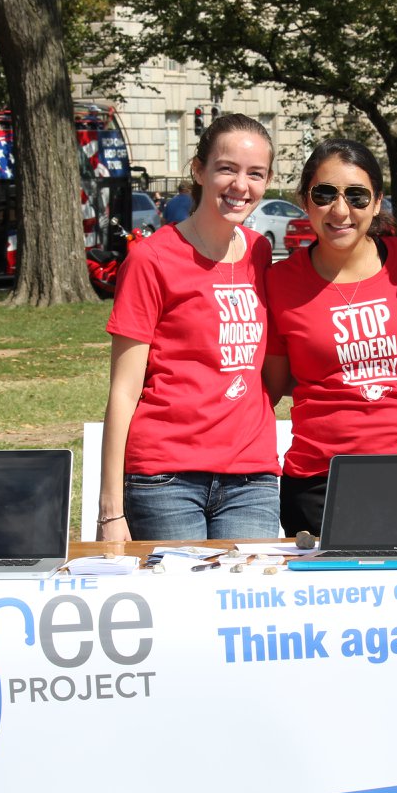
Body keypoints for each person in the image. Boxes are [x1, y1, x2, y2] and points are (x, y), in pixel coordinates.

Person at [98, 114, 279, 542]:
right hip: (166, 480)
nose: (241, 185)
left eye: (255, 174)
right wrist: (110, 511)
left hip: (251, 479)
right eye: (227, 168)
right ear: (199, 171)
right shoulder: (151, 259)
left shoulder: (260, 252)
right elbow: (123, 390)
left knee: (245, 604)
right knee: (179, 608)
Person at [263, 139, 397, 536]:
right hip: (321, 478)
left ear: (377, 201)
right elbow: (275, 383)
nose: (340, 210)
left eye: (356, 196)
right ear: (304, 199)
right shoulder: (280, 282)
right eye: (324, 194)